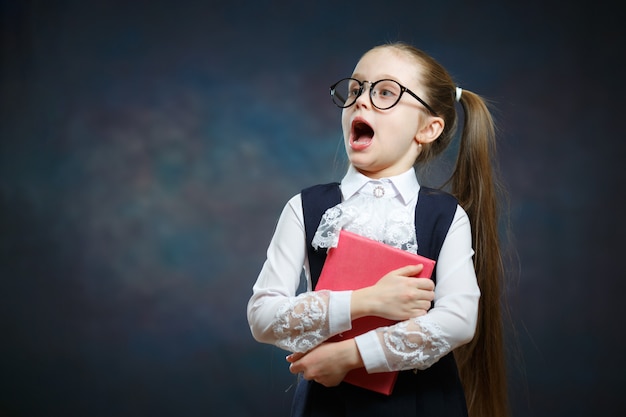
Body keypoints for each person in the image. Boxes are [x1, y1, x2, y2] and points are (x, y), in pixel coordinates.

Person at [247, 41, 508, 417]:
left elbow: (458, 320)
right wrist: (367, 302)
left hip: (424, 404)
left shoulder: (445, 216)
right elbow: (261, 316)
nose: (361, 101)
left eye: (385, 91)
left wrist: (349, 356)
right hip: (326, 406)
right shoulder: (304, 208)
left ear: (428, 128)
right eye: (355, 89)